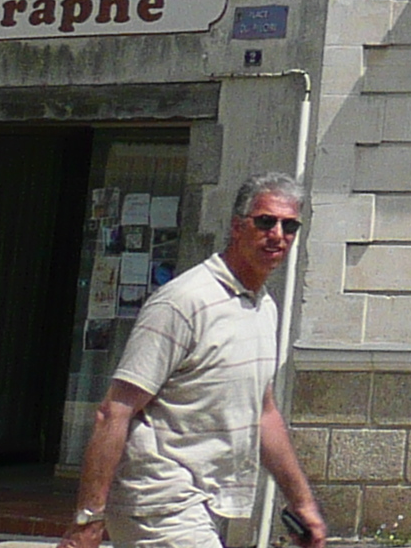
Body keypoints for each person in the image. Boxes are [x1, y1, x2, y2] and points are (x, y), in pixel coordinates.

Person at [60, 172, 326, 548]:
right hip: (157, 499)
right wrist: (88, 519)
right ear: (237, 227)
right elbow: (113, 411)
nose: (278, 234)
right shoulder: (183, 301)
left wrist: (302, 503)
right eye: (265, 221)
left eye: (290, 225)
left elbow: (263, 413)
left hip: (205, 502)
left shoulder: (263, 308)